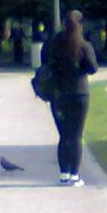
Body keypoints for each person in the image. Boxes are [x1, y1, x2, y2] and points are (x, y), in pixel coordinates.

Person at [43, 10, 98, 186]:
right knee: (76, 136)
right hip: (79, 94)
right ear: (80, 25)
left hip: (58, 96)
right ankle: (75, 175)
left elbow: (45, 64)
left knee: (64, 135)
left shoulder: (53, 44)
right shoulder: (83, 45)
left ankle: (63, 174)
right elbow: (93, 68)